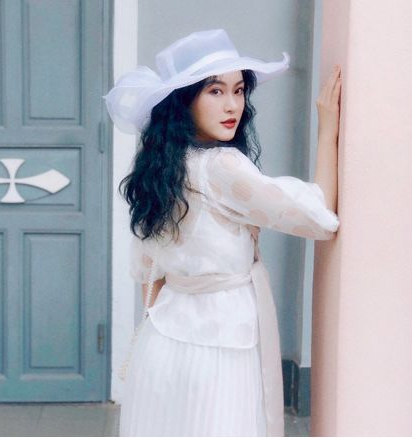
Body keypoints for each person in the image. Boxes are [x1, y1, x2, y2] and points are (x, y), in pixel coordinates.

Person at [103, 28, 342, 437]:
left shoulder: (159, 168)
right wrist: (328, 133)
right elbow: (318, 218)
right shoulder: (221, 167)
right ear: (184, 100)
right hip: (221, 344)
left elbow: (147, 269)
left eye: (238, 90)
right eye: (215, 91)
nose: (233, 105)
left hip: (162, 345)